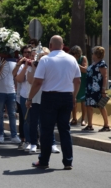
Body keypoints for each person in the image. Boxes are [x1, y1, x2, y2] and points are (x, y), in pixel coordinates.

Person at [26, 35, 81, 170]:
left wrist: (29, 98)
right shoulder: (72, 59)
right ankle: (68, 161)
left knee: (46, 130)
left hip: (50, 97)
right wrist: (73, 96)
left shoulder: (45, 59)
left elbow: (38, 82)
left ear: (50, 46)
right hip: (67, 96)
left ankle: (44, 161)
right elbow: (77, 80)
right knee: (65, 130)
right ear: (62, 45)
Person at [26, 48, 60, 154]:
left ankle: (52, 144)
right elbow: (31, 81)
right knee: (34, 122)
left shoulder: (51, 67)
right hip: (35, 98)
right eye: (41, 56)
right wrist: (34, 68)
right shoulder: (33, 67)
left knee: (49, 123)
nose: (43, 58)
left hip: (47, 98)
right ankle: (33, 143)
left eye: (45, 56)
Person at [83, 46, 110, 132]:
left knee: (101, 106)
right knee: (88, 105)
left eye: (93, 53)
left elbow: (105, 76)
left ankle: (106, 125)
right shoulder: (93, 64)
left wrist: (103, 89)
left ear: (96, 54)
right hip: (90, 88)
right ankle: (89, 125)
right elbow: (86, 71)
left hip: (97, 89)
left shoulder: (102, 64)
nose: (92, 55)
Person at [12, 45, 32, 149]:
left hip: (35, 96)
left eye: (29, 52)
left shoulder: (36, 64)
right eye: (25, 52)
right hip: (22, 96)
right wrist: (22, 65)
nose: (27, 54)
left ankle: (34, 140)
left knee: (34, 120)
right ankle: (25, 140)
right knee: (25, 119)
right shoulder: (20, 65)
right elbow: (17, 77)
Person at [69, 46, 88, 126]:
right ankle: (74, 118)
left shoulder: (83, 58)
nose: (73, 55)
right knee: (74, 99)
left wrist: (76, 64)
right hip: (73, 80)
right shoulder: (70, 59)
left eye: (74, 53)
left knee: (83, 100)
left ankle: (83, 119)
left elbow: (85, 69)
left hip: (82, 80)